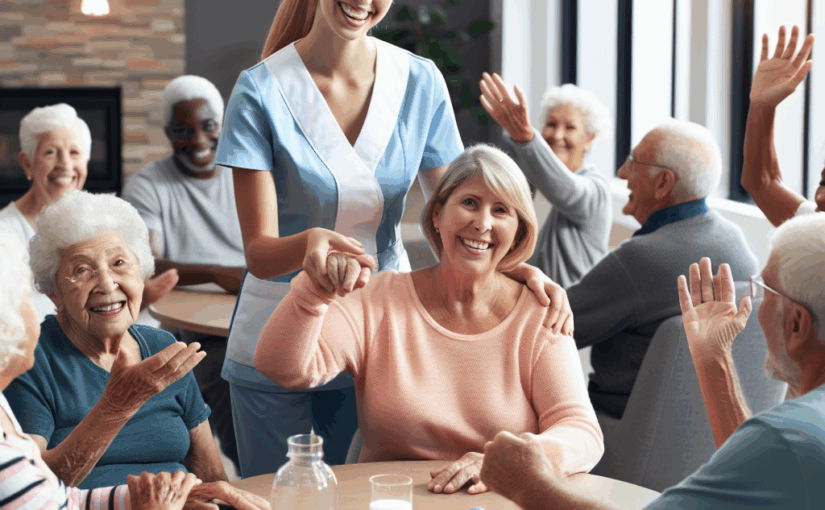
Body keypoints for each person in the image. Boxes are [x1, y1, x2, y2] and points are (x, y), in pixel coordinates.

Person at [215, 0, 572, 477]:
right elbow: (260, 252)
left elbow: (464, 216)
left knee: (363, 493)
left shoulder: (418, 82)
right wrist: (312, 245)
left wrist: (522, 271)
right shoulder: (260, 89)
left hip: (381, 335)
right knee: (276, 499)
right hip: (278, 329)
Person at [255, 145, 604, 496]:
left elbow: (580, 431)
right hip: (391, 502)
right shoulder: (377, 300)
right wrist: (315, 291)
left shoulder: (540, 312)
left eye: (500, 210)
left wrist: (512, 459)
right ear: (437, 214)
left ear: (518, 232)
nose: (482, 223)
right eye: (469, 202)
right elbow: (282, 367)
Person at [479, 213, 825, 509]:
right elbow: (756, 476)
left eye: (764, 291)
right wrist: (712, 358)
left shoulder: (784, 438)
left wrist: (531, 485)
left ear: (796, 324)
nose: (756, 303)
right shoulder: (792, 437)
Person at [0, 228, 269, 510]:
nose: (106, 283)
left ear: (141, 277)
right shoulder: (28, 361)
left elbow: (212, 477)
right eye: (81, 270)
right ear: (54, 294)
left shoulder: (163, 345)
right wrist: (118, 406)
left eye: (119, 264)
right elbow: (34, 491)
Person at [567, 119, 759, 420]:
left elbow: (547, 329)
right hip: (703, 431)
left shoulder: (639, 259)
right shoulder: (736, 241)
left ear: (663, 183)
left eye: (633, 163)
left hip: (615, 429)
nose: (621, 173)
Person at [121, 75, 245, 472]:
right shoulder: (148, 186)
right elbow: (144, 261)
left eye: (208, 126)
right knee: (221, 370)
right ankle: (251, 473)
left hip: (250, 303)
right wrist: (214, 271)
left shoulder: (248, 176)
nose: (197, 139)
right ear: (166, 134)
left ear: (222, 125)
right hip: (189, 320)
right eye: (182, 130)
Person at [0, 103, 178, 321]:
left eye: (74, 153)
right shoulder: (5, 235)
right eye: (50, 153)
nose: (65, 164)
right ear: (28, 164)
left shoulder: (101, 222)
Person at [479, 74, 612, 288]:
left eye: (570, 127)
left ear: (589, 139)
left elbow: (567, 192)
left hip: (573, 313)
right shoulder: (529, 183)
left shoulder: (596, 188)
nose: (558, 135)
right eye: (551, 124)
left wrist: (525, 138)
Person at [741, 25, 819, 225]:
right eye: (823, 183)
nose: (819, 197)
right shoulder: (816, 226)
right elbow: (761, 184)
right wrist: (761, 106)